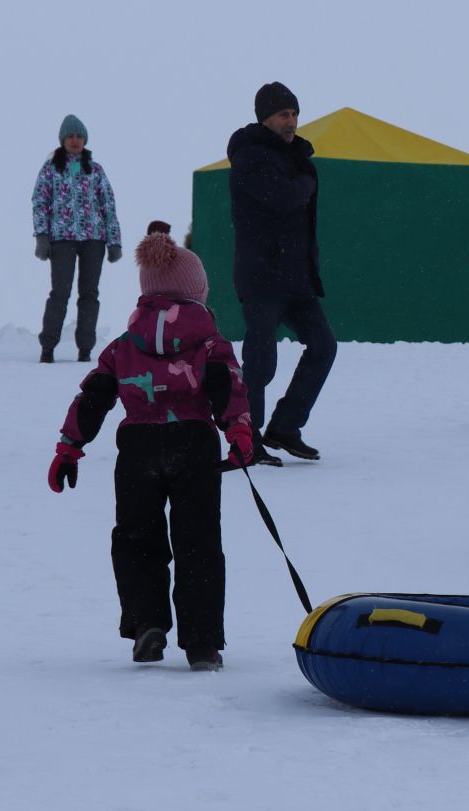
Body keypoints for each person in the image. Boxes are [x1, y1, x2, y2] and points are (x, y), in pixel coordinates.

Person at [46, 222, 253, 671]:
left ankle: (147, 625)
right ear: (196, 291)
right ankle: (201, 642)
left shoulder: (124, 346)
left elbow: (93, 396)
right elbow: (228, 389)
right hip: (194, 444)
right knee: (198, 541)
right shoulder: (212, 343)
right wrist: (238, 432)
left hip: (138, 446)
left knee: (137, 537)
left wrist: (69, 448)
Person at [228, 81, 333, 466]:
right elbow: (284, 197)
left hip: (297, 278)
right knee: (260, 364)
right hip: (261, 276)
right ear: (265, 118)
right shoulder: (249, 156)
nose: (291, 122)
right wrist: (306, 180)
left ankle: (285, 428)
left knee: (323, 346)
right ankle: (246, 439)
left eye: (294, 114)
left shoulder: (296, 158)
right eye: (283, 114)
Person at [31, 115, 122, 364]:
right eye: (70, 136)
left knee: (89, 294)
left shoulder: (95, 169)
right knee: (60, 292)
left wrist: (114, 241)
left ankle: (85, 349)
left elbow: (108, 205)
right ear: (62, 139)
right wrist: (42, 236)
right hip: (61, 239)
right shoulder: (51, 169)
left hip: (94, 239)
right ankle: (48, 347)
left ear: (85, 140)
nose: (75, 140)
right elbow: (40, 203)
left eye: (79, 136)